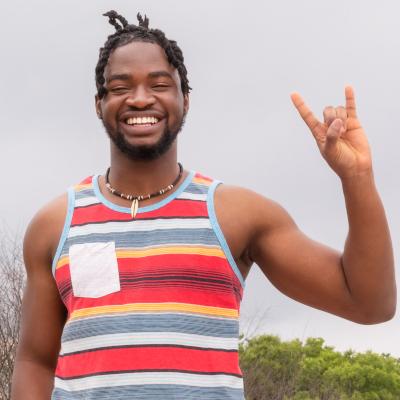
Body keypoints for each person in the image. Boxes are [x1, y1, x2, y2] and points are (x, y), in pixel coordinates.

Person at [11, 10, 396, 400]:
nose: (141, 98)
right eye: (121, 86)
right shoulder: (56, 224)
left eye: (159, 84)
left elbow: (369, 303)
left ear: (185, 99)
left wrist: (357, 179)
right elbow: (35, 361)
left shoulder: (236, 215)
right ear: (99, 103)